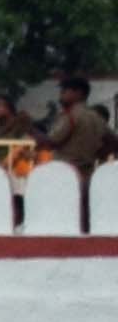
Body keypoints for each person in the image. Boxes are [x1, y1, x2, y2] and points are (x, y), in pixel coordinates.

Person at [42, 77, 111, 235]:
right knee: (84, 217)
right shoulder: (96, 117)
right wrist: (99, 155)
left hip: (65, 173)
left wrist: (30, 129)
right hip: (87, 172)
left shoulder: (72, 116)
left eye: (65, 91)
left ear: (79, 93)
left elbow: (52, 142)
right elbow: (113, 141)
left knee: (63, 217)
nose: (61, 95)